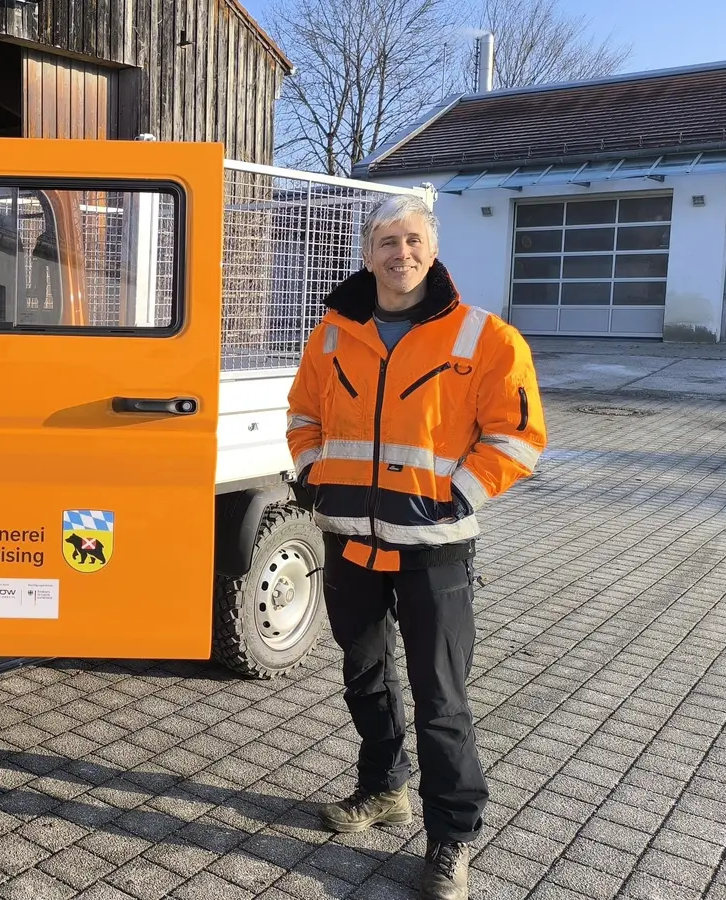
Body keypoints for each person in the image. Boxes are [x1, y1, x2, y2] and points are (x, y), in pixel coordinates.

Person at [284, 194, 546, 900]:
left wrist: (457, 493)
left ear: (432, 248)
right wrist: (312, 473)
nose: (399, 254)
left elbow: (518, 437)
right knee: (365, 678)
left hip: (435, 550)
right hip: (350, 545)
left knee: (441, 701)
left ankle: (451, 838)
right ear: (367, 254)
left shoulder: (485, 338)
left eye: (412, 241)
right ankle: (383, 790)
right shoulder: (334, 332)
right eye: (385, 243)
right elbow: (303, 412)